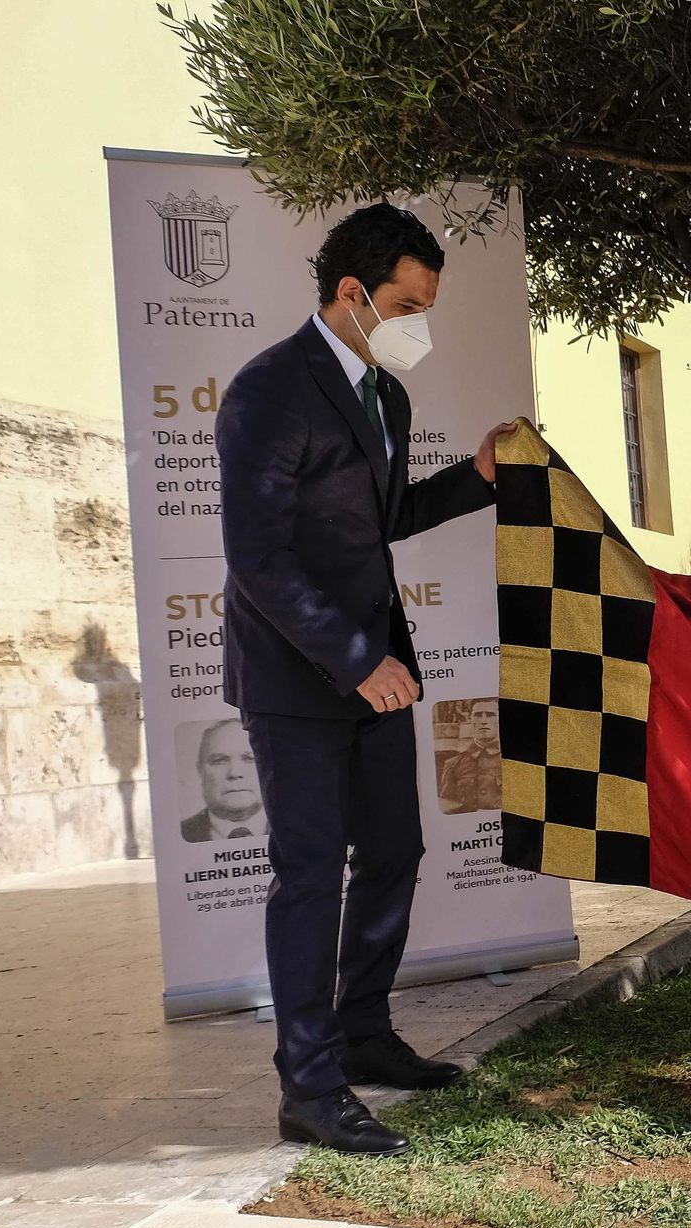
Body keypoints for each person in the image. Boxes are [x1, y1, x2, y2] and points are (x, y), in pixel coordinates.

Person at [218, 203, 521, 1155]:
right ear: (351, 294)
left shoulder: (386, 396)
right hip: (304, 681)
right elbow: (258, 559)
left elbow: (378, 521)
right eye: (405, 304)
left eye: (425, 306)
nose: (417, 325)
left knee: (393, 855)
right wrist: (357, 662)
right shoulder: (269, 389)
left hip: (379, 673)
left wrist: (474, 477)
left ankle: (363, 1035)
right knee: (309, 879)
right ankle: (308, 1089)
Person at [180, 718, 265, 842]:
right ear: (200, 771)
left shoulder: (298, 825)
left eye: (249, 758)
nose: (235, 773)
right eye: (219, 761)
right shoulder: (182, 834)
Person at [438, 698, 503, 814]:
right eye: (478, 715)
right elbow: (447, 809)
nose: (483, 721)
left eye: (490, 715)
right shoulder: (453, 764)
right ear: (470, 719)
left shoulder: (514, 762)